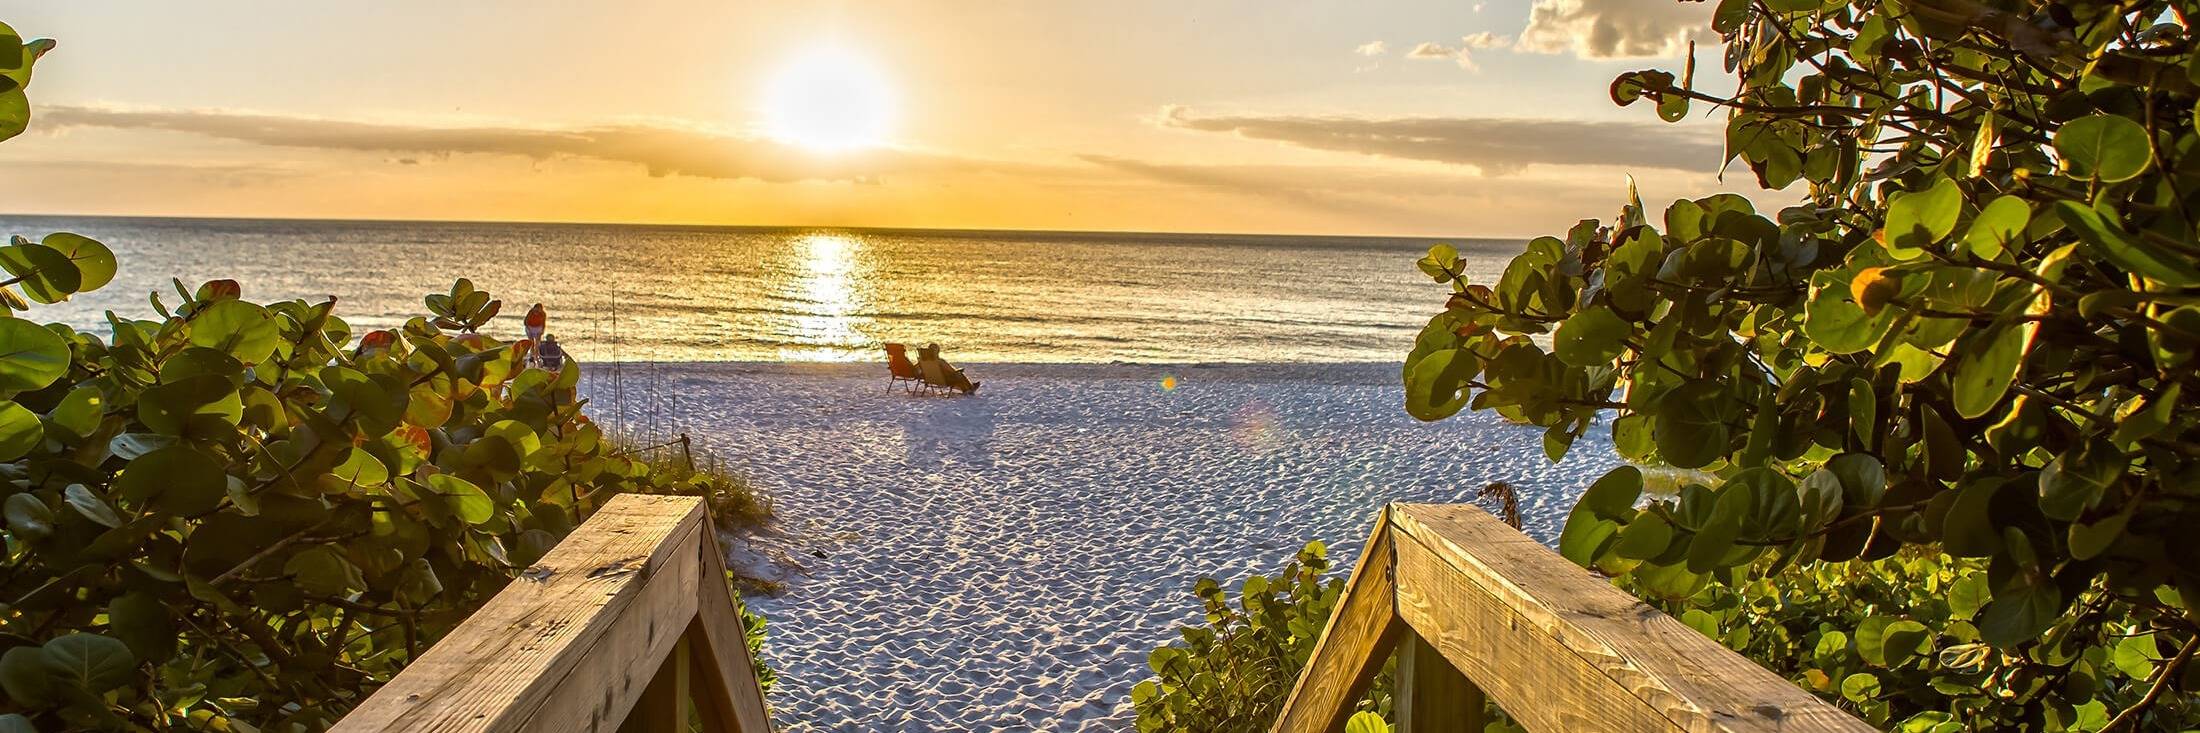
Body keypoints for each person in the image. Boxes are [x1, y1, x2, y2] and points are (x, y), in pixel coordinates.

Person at [915, 342, 981, 395]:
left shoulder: (923, 362)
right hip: (944, 381)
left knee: (957, 376)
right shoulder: (940, 361)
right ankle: (970, 387)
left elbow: (916, 369)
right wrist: (958, 371)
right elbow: (952, 370)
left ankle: (966, 389)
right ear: (937, 351)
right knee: (959, 374)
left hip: (931, 380)